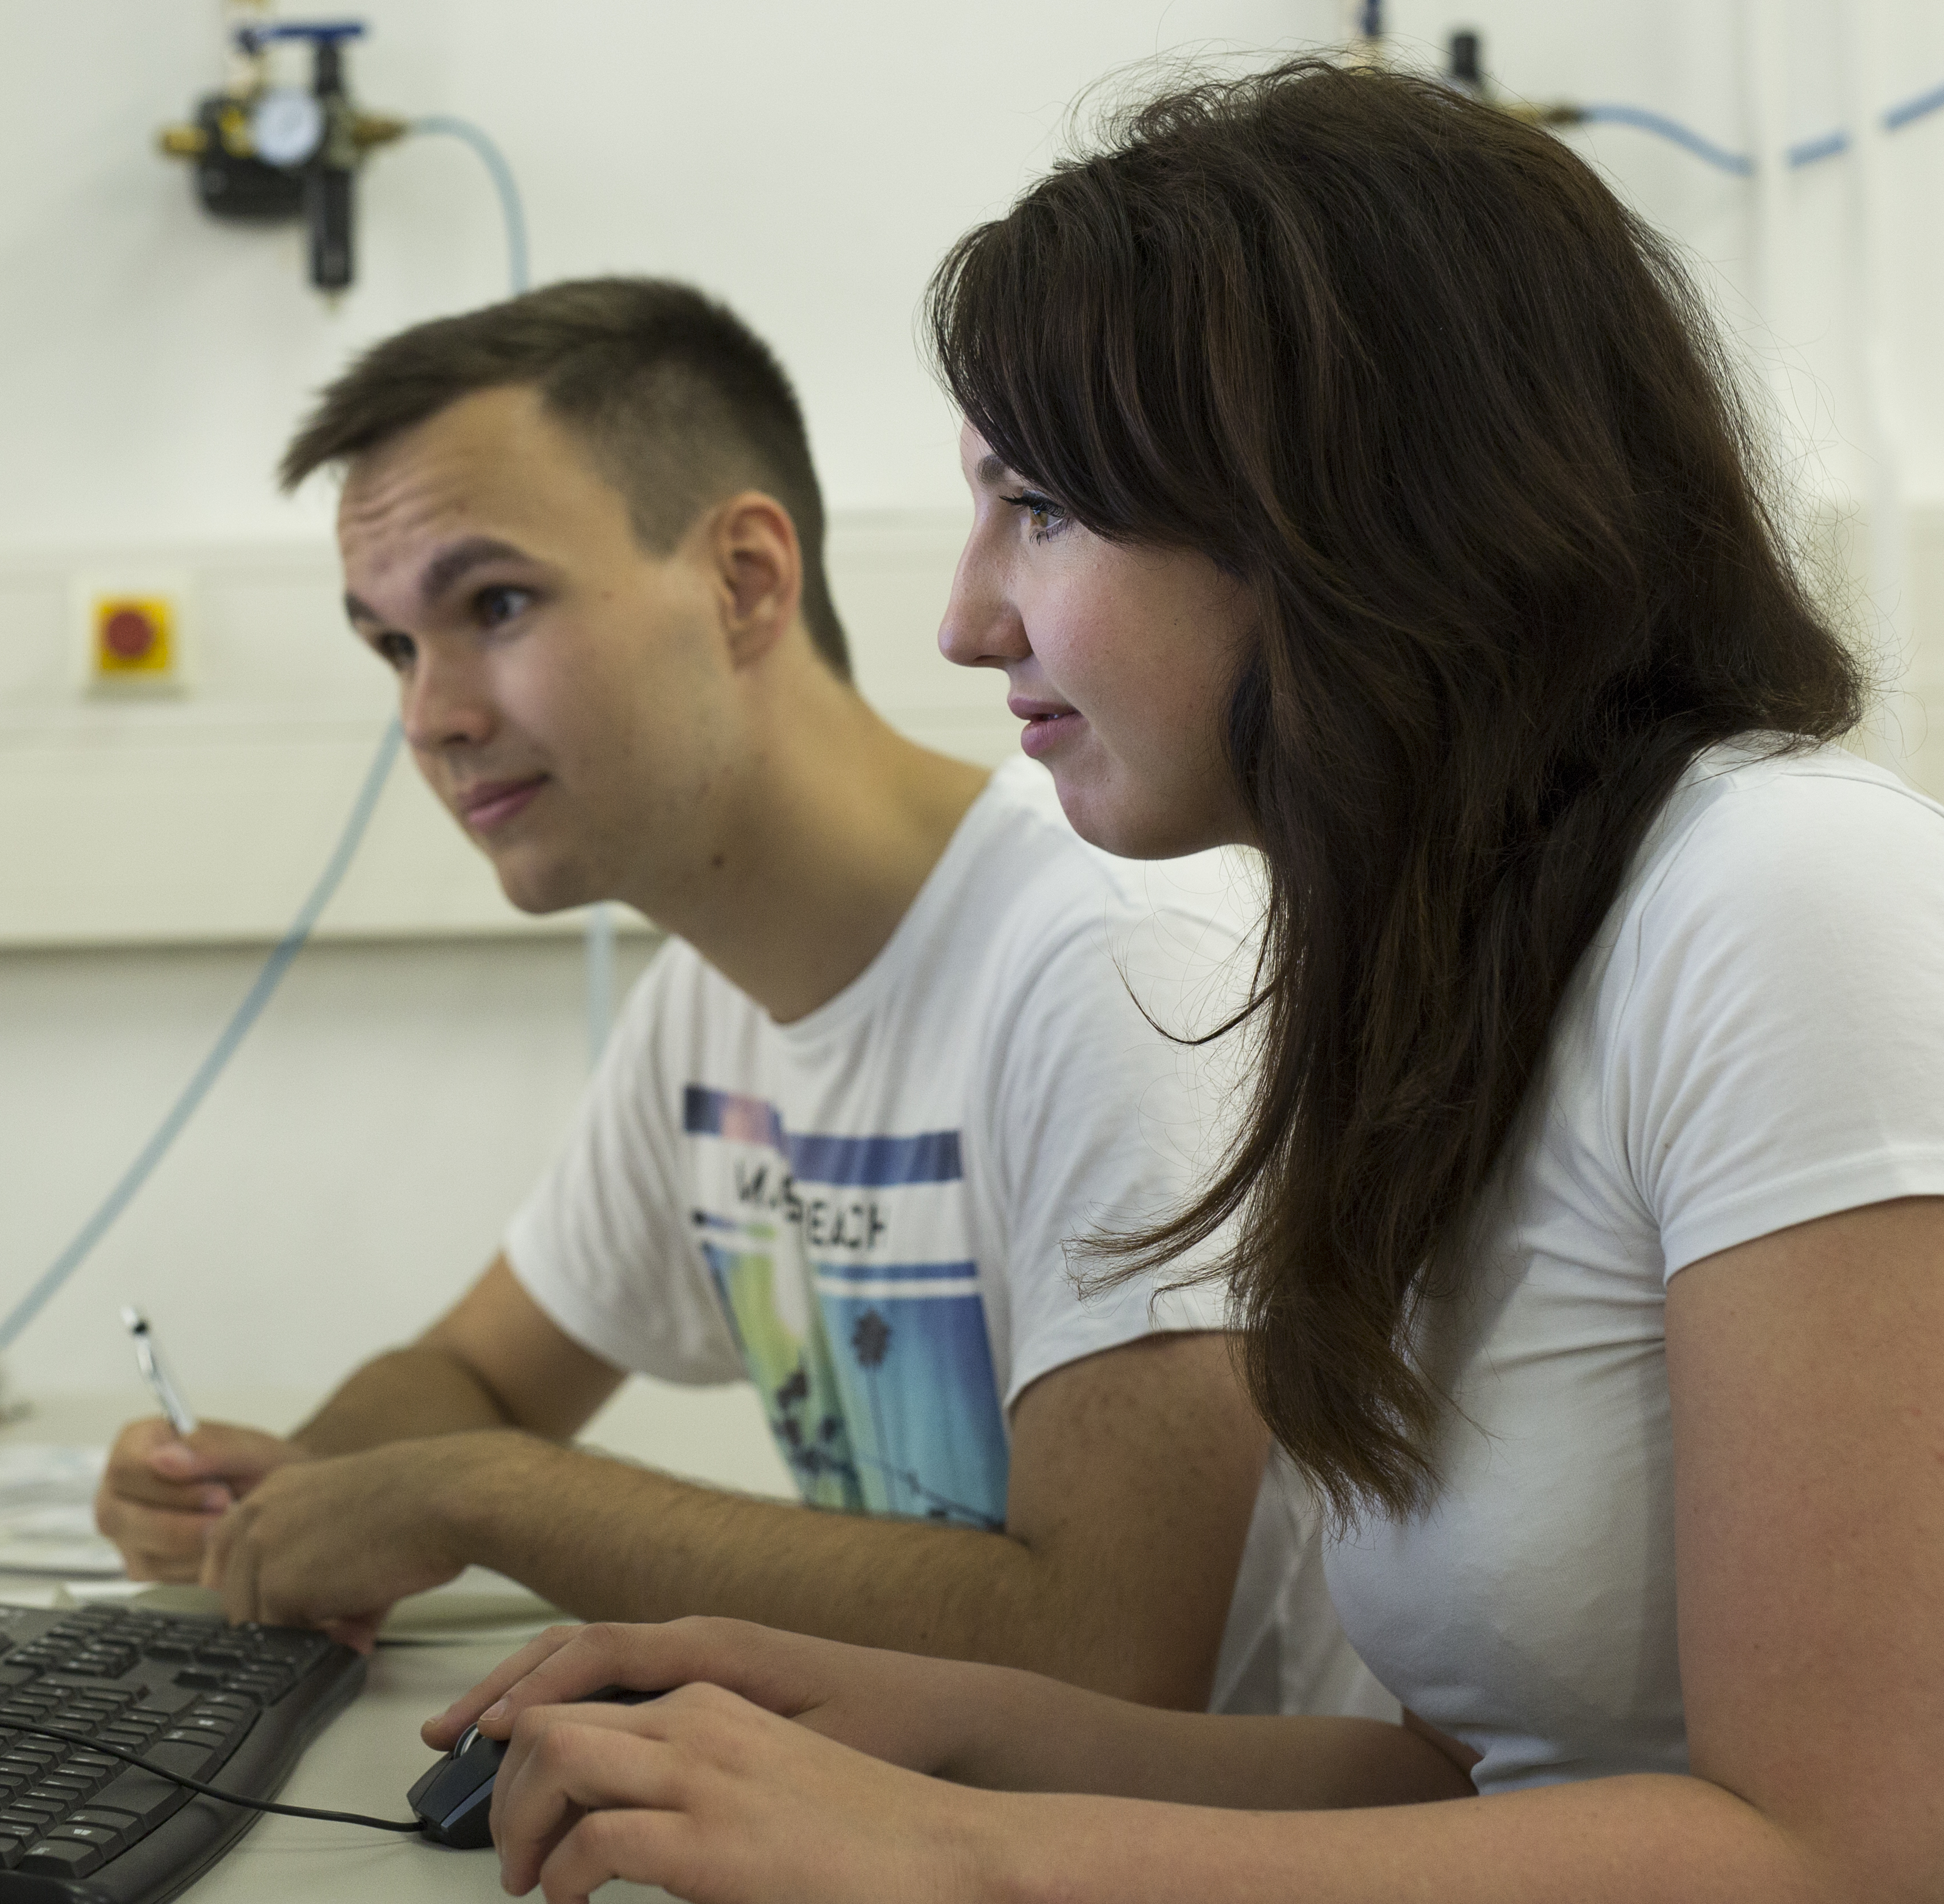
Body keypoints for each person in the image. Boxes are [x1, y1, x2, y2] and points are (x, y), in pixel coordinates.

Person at [437, 57, 1944, 1904]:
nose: (965, 617)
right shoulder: (1435, 963)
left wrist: (969, 1852)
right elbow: (1477, 1784)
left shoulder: (1787, 890)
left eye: (1041, 509)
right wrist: (890, 1717)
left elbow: (1849, 1852)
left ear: (1336, 509)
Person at [91, 277, 1381, 1716]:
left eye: (494, 604)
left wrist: (481, 1495)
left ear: (746, 580)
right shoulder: (710, 1005)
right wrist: (286, 1497)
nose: (432, 714)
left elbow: (1103, 1651)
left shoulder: (1119, 960)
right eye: (394, 643)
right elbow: (477, 1373)